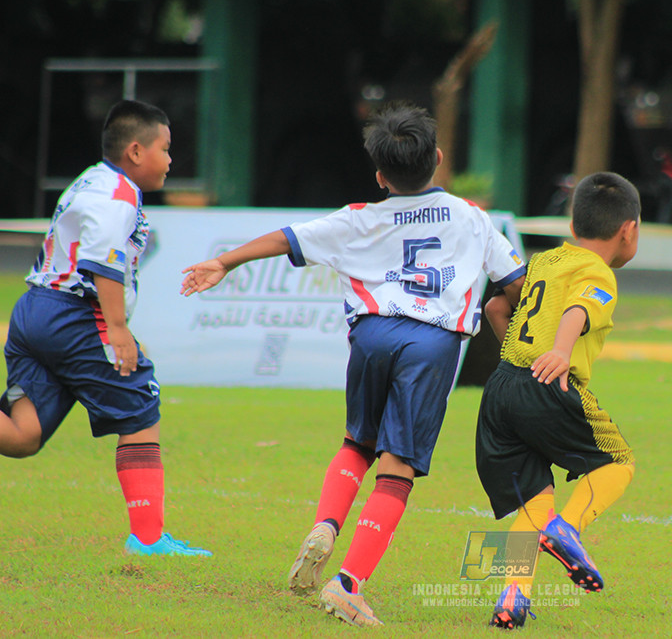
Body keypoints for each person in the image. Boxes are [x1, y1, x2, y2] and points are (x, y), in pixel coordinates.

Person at [179, 101, 526, 627]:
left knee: (358, 442)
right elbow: (516, 284)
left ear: (381, 175)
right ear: (436, 157)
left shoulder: (357, 218)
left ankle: (325, 524)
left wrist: (223, 261)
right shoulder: (471, 218)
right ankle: (348, 583)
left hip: (371, 334)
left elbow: (285, 239)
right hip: (430, 344)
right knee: (399, 465)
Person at [0, 99, 211, 557]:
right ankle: (149, 540)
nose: (171, 160)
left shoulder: (91, 178)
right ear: (136, 151)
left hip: (34, 308)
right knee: (140, 405)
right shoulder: (119, 196)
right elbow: (103, 265)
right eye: (166, 148)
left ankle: (149, 538)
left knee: (23, 435)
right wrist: (118, 330)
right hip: (73, 313)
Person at [475, 171, 641, 629]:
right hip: (547, 383)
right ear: (629, 229)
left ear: (573, 224)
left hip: (502, 387)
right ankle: (567, 529)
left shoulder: (546, 261)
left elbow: (495, 308)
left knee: (534, 498)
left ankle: (512, 599)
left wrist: (518, 358)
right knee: (617, 463)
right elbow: (579, 309)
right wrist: (560, 353)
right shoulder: (598, 271)